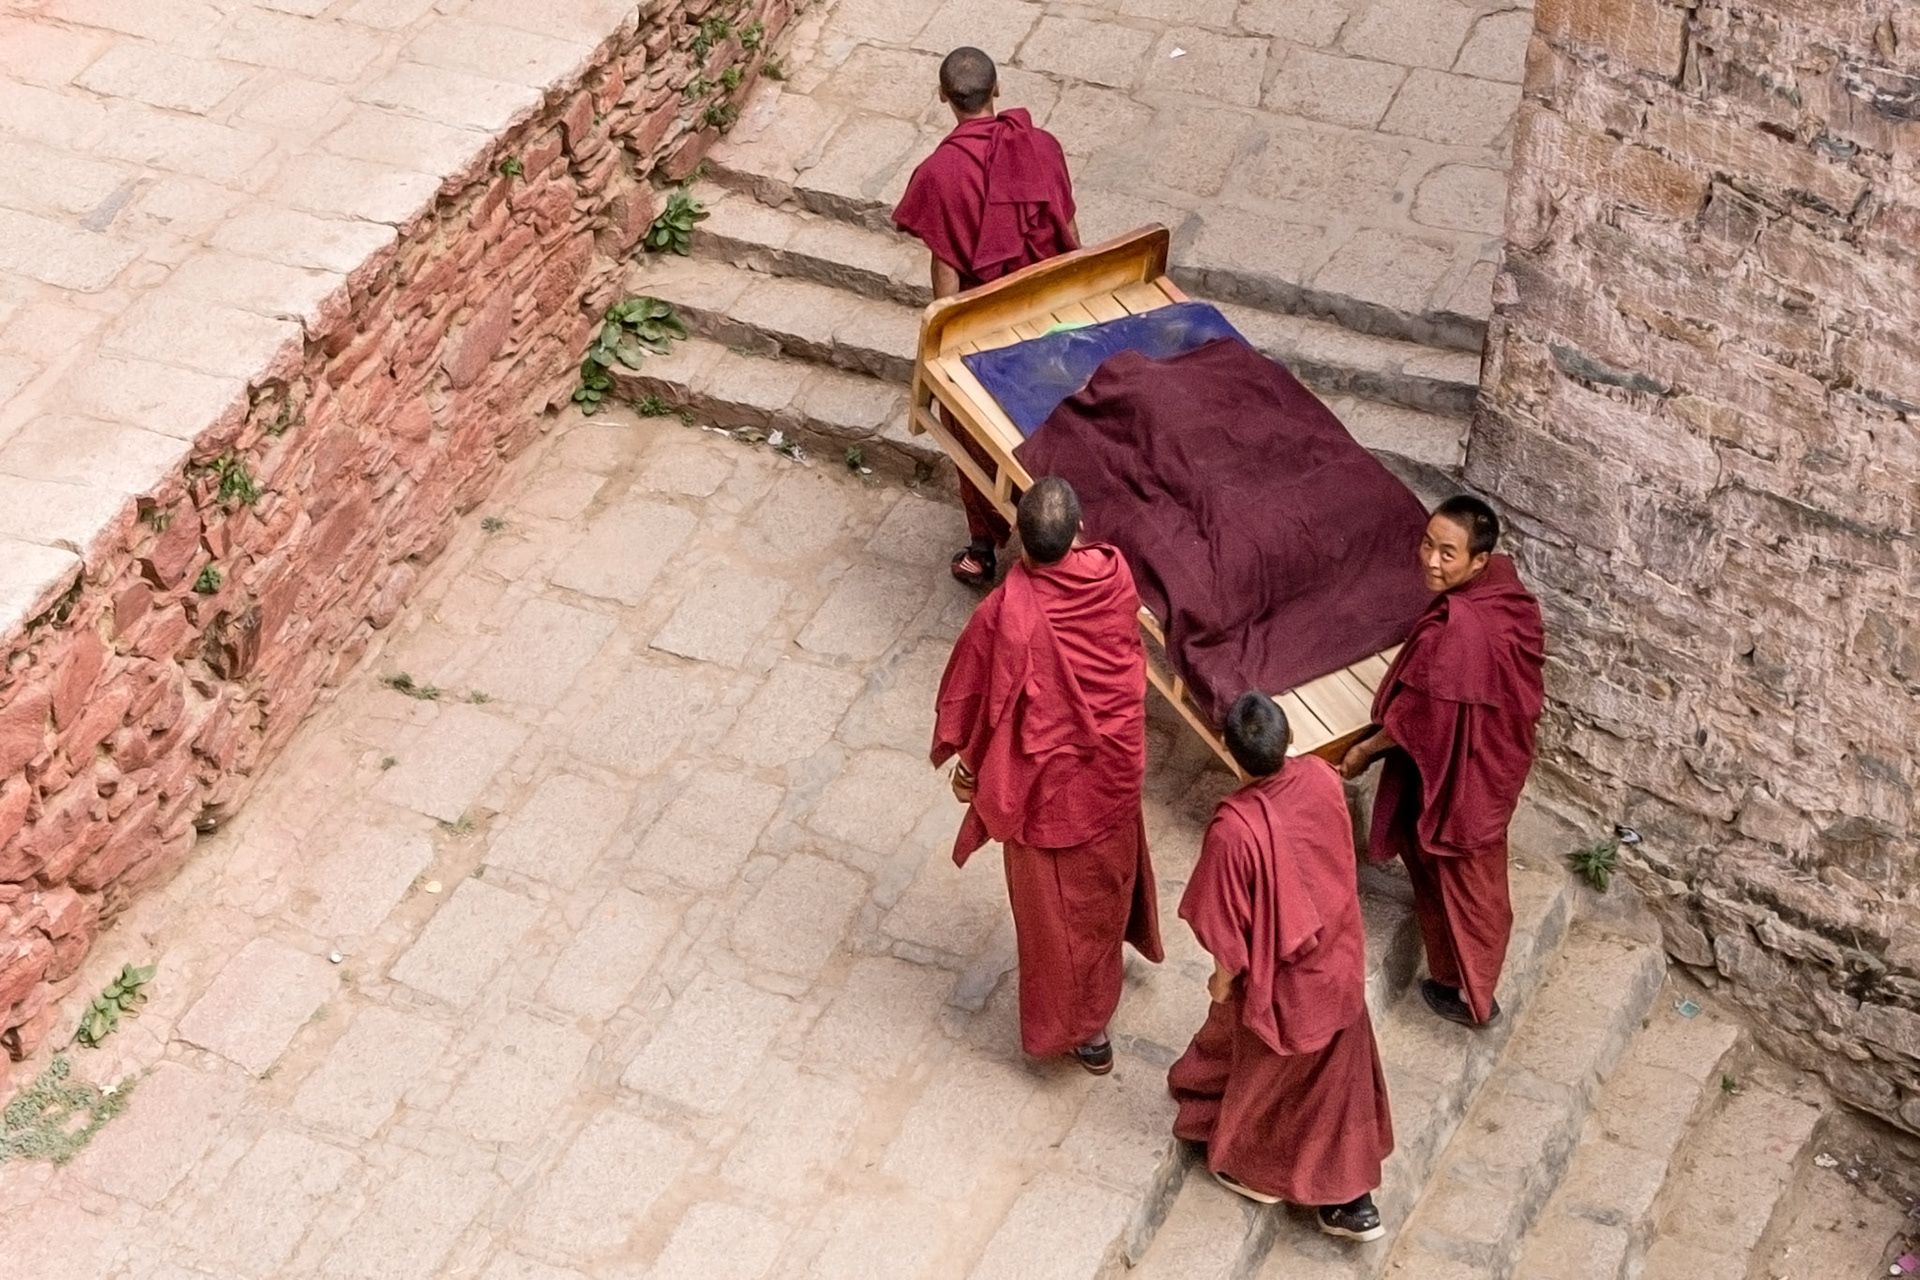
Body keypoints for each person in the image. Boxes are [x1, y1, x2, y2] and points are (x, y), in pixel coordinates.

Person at [930, 477, 1161, 1073]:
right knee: (1103, 892)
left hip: (1048, 799)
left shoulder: (1006, 615)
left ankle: (1086, 1031)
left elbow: (984, 706)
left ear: (1023, 543)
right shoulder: (1112, 573)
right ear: (1079, 532)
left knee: (1055, 921)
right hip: (1112, 771)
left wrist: (971, 771)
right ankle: (1101, 988)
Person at [1168, 691, 1393, 1242]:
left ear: (1229, 749)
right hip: (1336, 962)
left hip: (1282, 988)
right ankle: (1349, 1194)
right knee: (1336, 1077)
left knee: (1277, 1082)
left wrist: (1222, 985)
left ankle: (1291, 1180)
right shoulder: (1319, 778)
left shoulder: (1233, 831)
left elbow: (1228, 936)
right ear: (1289, 740)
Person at [1339, 495, 1546, 1028]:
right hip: (1494, 754)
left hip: (1472, 772)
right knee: (1451, 862)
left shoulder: (1464, 631)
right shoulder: (1501, 588)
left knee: (1466, 877)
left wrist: (1363, 750)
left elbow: (1418, 717)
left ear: (1478, 561)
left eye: (1447, 554)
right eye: (1428, 544)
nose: (1431, 560)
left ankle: (1467, 991)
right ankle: (1464, 976)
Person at [893, 45, 1080, 589]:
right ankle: (1061, 522)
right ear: (997, 90)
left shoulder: (939, 174)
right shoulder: (1042, 146)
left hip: (988, 326)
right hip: (1050, 310)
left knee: (972, 430)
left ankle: (983, 547)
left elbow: (947, 269)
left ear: (944, 98)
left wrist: (940, 342)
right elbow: (1067, 226)